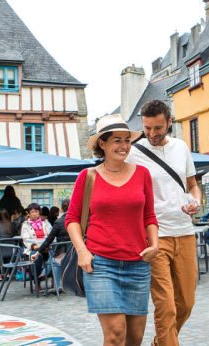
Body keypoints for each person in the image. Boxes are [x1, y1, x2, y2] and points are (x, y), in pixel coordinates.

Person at [66, 113, 158, 346]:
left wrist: (154, 245)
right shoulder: (88, 177)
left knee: (134, 339)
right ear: (102, 144)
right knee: (116, 333)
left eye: (127, 140)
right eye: (117, 140)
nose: (123, 145)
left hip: (138, 264)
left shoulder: (142, 174)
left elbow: (149, 216)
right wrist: (82, 251)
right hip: (101, 265)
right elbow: (72, 219)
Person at [124, 100, 199, 345]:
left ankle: (160, 343)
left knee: (186, 303)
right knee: (165, 306)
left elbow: (193, 186)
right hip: (155, 237)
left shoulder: (181, 147)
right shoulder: (133, 153)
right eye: (147, 128)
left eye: (158, 128)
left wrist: (196, 202)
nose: (152, 134)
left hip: (185, 232)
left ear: (169, 122)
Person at [31, 199, 70, 292]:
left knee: (54, 260)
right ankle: (54, 282)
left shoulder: (59, 222)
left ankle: (54, 284)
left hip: (63, 253)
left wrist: (38, 252)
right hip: (75, 253)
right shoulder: (77, 220)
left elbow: (49, 240)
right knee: (52, 256)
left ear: (61, 209)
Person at [20, 203, 52, 283]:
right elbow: (25, 239)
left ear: (39, 212)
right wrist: (34, 247)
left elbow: (51, 235)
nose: (34, 214)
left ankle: (52, 281)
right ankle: (37, 281)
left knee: (55, 255)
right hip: (33, 249)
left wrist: (46, 246)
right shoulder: (25, 225)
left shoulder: (46, 223)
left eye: (36, 211)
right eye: (32, 212)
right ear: (29, 214)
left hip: (46, 247)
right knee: (36, 257)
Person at [0, 208, 18, 280]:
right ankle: (10, 273)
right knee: (6, 255)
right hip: (12, 251)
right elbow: (16, 235)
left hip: (0, 250)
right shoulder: (13, 224)